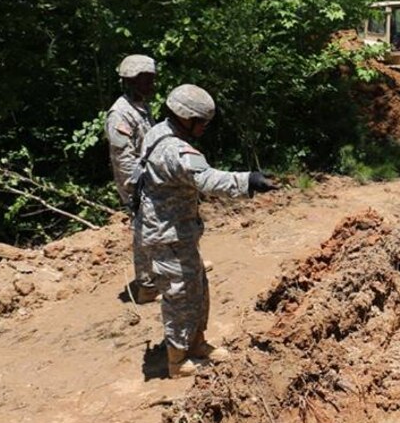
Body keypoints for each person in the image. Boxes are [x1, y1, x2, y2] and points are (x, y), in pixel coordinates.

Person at [133, 84, 277, 378]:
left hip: (176, 232)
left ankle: (196, 343)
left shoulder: (158, 131)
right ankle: (178, 361)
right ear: (186, 117)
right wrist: (249, 181)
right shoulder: (175, 149)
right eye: (202, 122)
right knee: (179, 296)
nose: (204, 129)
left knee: (196, 288)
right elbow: (208, 180)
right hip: (167, 235)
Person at [106, 54, 158, 304]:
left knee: (158, 226)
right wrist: (140, 188)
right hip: (137, 183)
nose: (152, 85)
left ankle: (163, 274)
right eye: (147, 80)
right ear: (132, 81)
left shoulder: (142, 107)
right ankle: (146, 286)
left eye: (152, 79)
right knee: (144, 229)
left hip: (151, 178)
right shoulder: (120, 114)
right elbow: (124, 161)